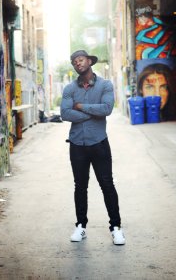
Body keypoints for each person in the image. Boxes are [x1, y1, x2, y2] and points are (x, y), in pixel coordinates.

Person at [60, 50, 125, 245]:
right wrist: (92, 112)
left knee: (107, 184)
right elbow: (65, 113)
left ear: (89, 61)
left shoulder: (105, 85)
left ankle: (116, 227)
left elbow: (107, 109)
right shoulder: (70, 89)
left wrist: (80, 107)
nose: (77, 63)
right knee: (80, 186)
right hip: (77, 144)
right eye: (74, 62)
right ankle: (81, 226)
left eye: (80, 60)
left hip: (99, 143)